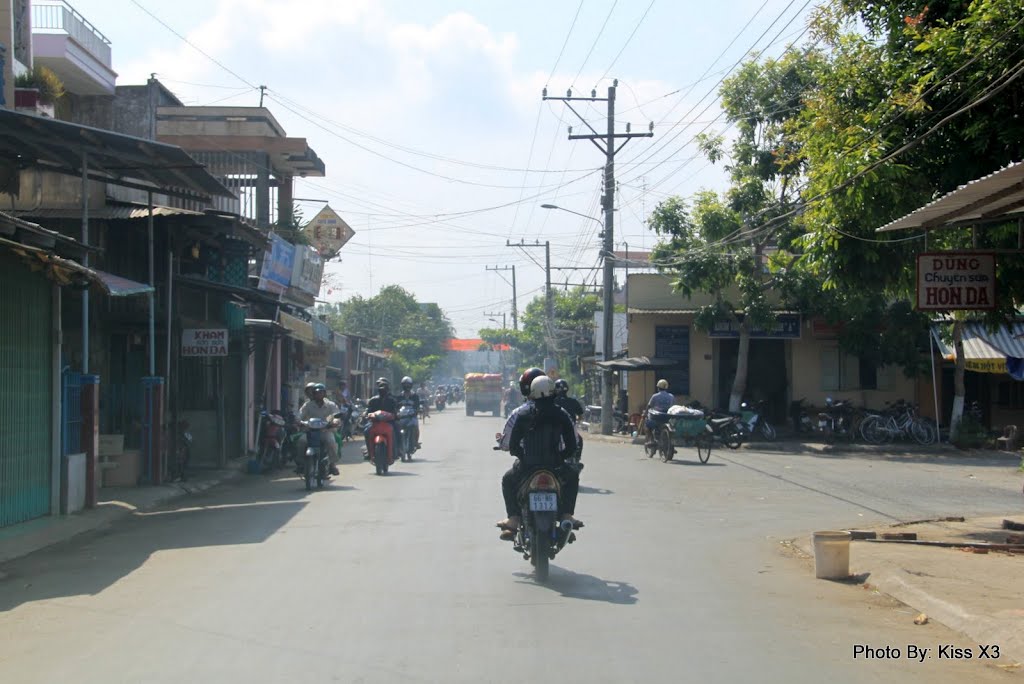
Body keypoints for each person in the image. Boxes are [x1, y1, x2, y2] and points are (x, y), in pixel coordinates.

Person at [496, 370, 582, 540]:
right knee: (572, 477)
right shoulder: (562, 414)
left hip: (528, 466)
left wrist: (523, 456)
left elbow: (512, 446)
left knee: (507, 480)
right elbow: (572, 445)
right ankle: (566, 516)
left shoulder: (522, 414)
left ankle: (513, 519)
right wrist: (560, 457)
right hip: (555, 465)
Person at [298, 383, 340, 476]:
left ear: (324, 394)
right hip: (310, 431)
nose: (319, 395)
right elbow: (300, 415)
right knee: (301, 441)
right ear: (314, 394)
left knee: (331, 442)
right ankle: (301, 464)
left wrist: (335, 421)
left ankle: (332, 464)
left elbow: (336, 415)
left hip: (325, 431)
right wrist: (298, 421)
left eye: (321, 393)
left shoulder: (330, 404)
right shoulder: (308, 405)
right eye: (317, 393)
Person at [363, 377, 398, 460]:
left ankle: (397, 450)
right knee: (366, 431)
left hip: (389, 422)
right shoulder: (373, 400)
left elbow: (395, 411)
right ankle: (369, 451)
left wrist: (396, 415)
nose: (383, 391)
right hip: (374, 422)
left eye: (385, 389)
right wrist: (365, 414)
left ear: (388, 390)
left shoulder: (392, 400)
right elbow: (368, 410)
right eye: (381, 389)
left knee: (398, 431)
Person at [553, 378, 585, 459]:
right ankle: (577, 458)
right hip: (570, 430)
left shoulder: (552, 401)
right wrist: (576, 421)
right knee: (579, 440)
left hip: (554, 429)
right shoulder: (573, 401)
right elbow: (580, 416)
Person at [396, 376, 422, 451]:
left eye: (408, 384)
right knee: (396, 429)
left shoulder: (415, 396)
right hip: (402, 417)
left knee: (416, 427)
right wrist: (396, 413)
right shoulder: (399, 396)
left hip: (412, 416)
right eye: (405, 384)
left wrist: (417, 410)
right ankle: (398, 444)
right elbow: (396, 406)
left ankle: (416, 442)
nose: (406, 386)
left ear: (411, 385)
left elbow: (417, 406)